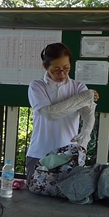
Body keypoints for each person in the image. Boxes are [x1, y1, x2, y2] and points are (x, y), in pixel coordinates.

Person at [24, 42, 99, 180]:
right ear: (45, 67)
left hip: (68, 156)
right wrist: (81, 98)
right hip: (39, 153)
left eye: (66, 68)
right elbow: (50, 113)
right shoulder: (37, 86)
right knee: (35, 192)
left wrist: (85, 136)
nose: (62, 73)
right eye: (56, 70)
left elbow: (88, 114)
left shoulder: (78, 87)